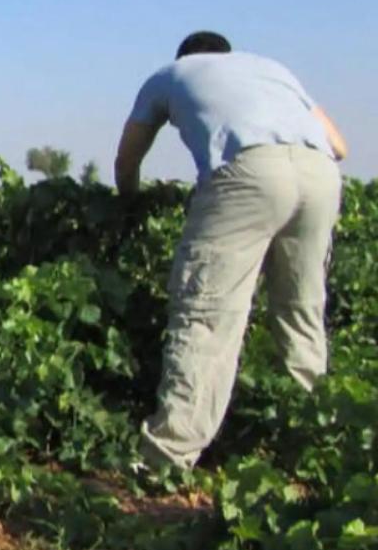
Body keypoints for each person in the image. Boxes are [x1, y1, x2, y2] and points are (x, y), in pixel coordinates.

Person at [114, 31, 349, 470]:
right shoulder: (274, 70)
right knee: (300, 308)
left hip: (249, 171)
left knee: (206, 314)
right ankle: (311, 442)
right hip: (320, 175)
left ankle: (167, 457)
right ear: (228, 54)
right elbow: (339, 146)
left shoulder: (170, 75)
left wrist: (128, 202)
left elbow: (127, 160)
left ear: (187, 57)